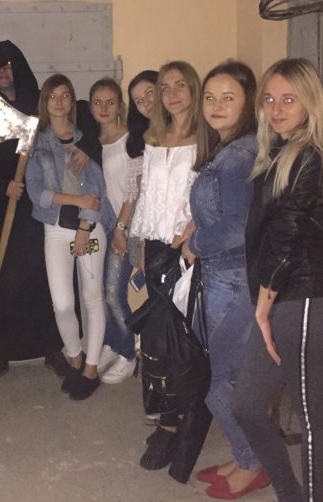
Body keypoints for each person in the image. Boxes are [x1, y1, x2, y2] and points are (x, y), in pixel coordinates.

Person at [231, 58, 323, 502]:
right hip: (282, 296)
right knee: (247, 405)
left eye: (289, 99)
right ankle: (290, 494)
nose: (276, 108)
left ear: (309, 103)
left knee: (310, 411)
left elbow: (286, 234)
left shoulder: (310, 156)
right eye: (269, 99)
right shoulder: (280, 154)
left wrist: (262, 306)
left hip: (304, 297)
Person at [0, 40, 100, 385]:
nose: (3, 71)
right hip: (1, 212)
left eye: (9, 65)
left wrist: (86, 145)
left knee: (45, 283)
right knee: (2, 284)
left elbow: (86, 115)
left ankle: (54, 348)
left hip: (42, 211)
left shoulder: (39, 102)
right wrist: (1, 187)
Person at [181, 61, 270, 499]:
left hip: (232, 281)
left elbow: (239, 226)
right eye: (210, 97)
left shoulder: (238, 156)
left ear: (247, 103)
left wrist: (196, 242)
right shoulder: (230, 148)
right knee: (225, 374)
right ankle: (243, 454)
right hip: (225, 277)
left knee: (222, 384)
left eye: (228, 98)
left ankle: (254, 464)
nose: (216, 106)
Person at [129, 61, 207, 472]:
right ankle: (167, 418)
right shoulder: (154, 137)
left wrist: (192, 235)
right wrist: (143, 248)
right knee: (156, 341)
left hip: (189, 251)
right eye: (165, 88)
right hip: (157, 246)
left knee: (181, 341)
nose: (172, 94)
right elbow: (148, 197)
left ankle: (176, 424)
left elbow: (211, 196)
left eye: (180, 86)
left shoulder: (206, 140)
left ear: (193, 89)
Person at [26, 73, 116, 400]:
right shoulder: (37, 143)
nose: (59, 102)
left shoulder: (86, 140)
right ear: (45, 102)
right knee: (63, 304)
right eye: (53, 96)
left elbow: (97, 192)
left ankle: (90, 370)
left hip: (90, 229)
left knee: (92, 299)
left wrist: (83, 227)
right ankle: (75, 357)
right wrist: (76, 201)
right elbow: (37, 193)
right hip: (54, 228)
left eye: (65, 95)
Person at [88, 78, 141, 384]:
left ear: (120, 105)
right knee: (98, 292)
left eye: (110, 102)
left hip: (128, 225)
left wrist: (122, 228)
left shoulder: (131, 141)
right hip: (105, 225)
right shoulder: (94, 142)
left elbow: (135, 191)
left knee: (112, 292)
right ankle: (112, 342)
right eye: (98, 102)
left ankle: (129, 354)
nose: (104, 108)